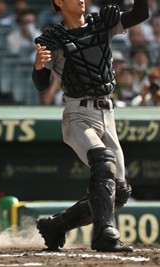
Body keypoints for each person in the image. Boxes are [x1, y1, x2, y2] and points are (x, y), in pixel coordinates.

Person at [32, 0, 149, 252]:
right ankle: (103, 236)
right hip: (78, 113)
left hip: (108, 112)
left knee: (119, 191)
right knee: (103, 160)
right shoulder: (53, 37)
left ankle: (56, 226)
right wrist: (38, 66)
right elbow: (41, 83)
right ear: (59, 2)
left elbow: (141, 13)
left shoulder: (100, 22)